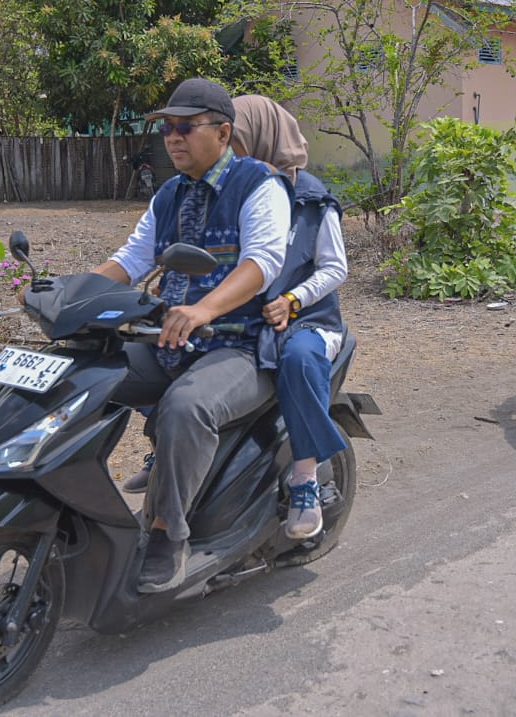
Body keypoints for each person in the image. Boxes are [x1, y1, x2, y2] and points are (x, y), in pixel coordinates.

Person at [96, 77, 291, 593]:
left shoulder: (258, 185)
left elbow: (262, 261)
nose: (173, 138)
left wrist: (205, 308)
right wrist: (68, 294)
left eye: (185, 127)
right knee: (87, 375)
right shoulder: (170, 194)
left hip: (242, 346)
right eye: (167, 129)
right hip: (173, 342)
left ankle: (167, 532)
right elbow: (132, 259)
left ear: (223, 133)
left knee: (186, 408)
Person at [229, 94, 349, 540]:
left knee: (299, 359)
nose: (231, 153)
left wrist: (294, 300)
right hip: (252, 317)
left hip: (308, 320)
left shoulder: (313, 199)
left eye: (237, 141)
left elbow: (335, 268)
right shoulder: (238, 191)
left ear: (263, 139)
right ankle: (169, 453)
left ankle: (305, 481)